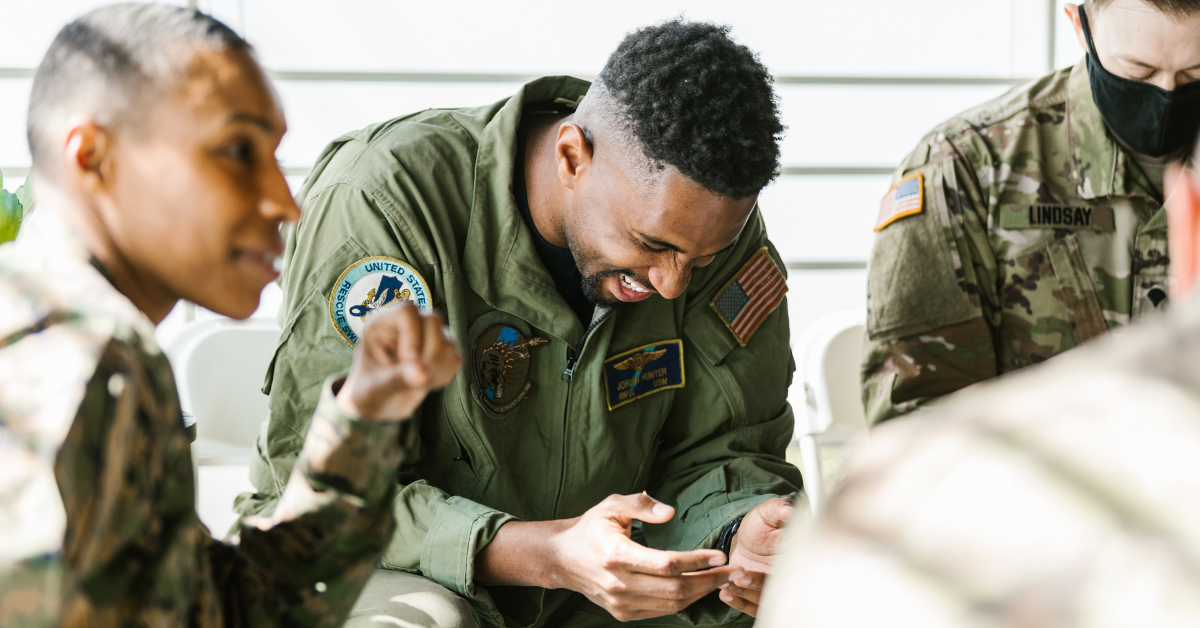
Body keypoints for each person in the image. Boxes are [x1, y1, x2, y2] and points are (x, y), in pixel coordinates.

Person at [235, 19, 802, 628]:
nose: (672, 284)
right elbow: (323, 498)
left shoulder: (700, 224)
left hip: (596, 588)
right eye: (650, 244)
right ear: (571, 156)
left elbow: (724, 449)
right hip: (381, 564)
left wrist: (739, 527)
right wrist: (549, 555)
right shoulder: (386, 201)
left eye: (703, 260)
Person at [0, 5, 461, 626]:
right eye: (238, 150)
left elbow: (222, 608)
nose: (284, 202)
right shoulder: (76, 357)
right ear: (93, 157)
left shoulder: (84, 338)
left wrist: (364, 417)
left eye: (275, 155)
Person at [757, 127, 1200, 628]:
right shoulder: (962, 163)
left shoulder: (897, 502)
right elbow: (913, 397)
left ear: (1184, 219)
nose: (1166, 91)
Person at [861, 0, 1200, 425]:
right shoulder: (965, 165)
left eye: (1195, 72)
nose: (1167, 93)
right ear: (1081, 25)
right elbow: (916, 423)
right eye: (1138, 70)